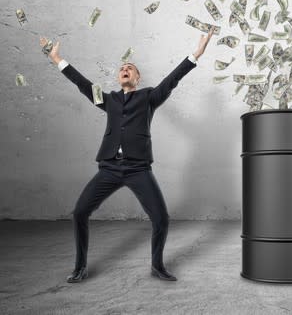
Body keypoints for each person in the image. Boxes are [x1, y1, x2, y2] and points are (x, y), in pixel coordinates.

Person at [39, 28, 214, 283]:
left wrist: (196, 53)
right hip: (109, 168)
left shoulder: (149, 97)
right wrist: (57, 59)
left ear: (137, 77)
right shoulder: (108, 100)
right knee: (79, 213)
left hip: (138, 169)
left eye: (130, 68)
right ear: (118, 76)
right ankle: (80, 267)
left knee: (161, 218)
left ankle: (157, 265)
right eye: (122, 67)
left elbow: (173, 79)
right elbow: (82, 83)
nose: (125, 69)